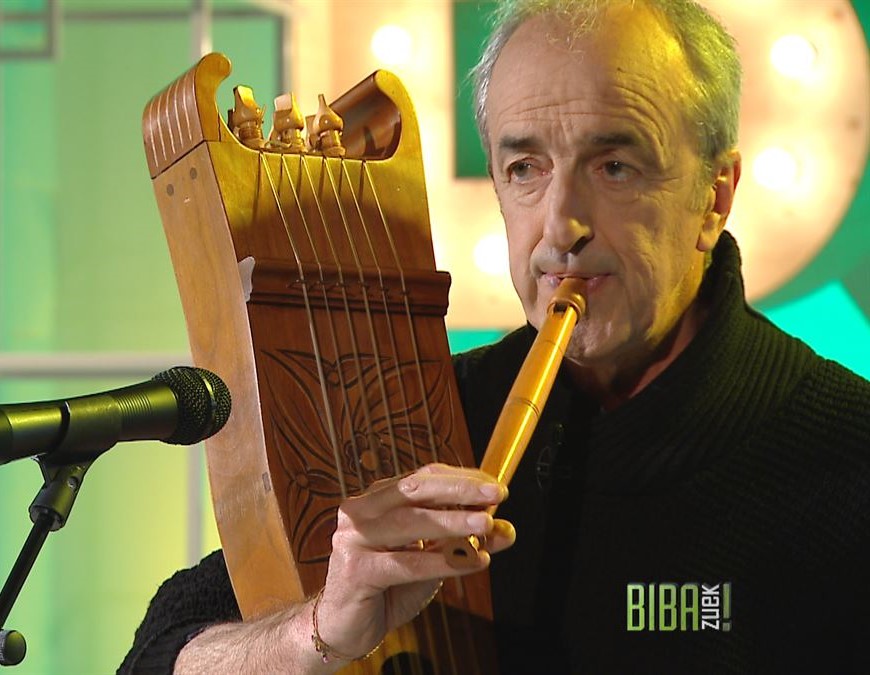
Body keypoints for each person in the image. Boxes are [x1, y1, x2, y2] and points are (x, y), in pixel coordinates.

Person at [120, 0, 870, 672]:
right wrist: (314, 631)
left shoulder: (846, 453)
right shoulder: (419, 409)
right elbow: (156, 652)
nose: (561, 228)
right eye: (524, 167)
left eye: (614, 165)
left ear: (714, 198)